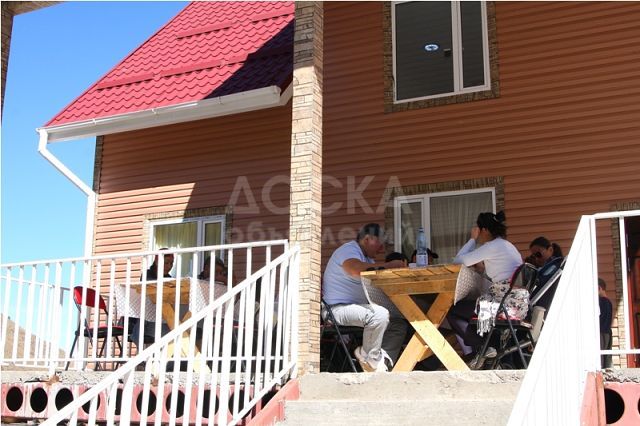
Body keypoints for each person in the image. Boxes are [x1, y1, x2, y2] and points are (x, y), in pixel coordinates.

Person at [322, 223, 407, 372]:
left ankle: (382, 363)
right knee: (379, 314)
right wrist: (388, 266)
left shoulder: (368, 260)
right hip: (336, 310)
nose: (382, 248)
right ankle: (369, 357)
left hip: (355, 309)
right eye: (380, 243)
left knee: (398, 322)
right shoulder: (349, 250)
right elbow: (355, 269)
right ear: (368, 239)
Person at [446, 211, 523, 368]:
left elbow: (457, 261)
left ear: (485, 230)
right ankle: (484, 352)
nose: (478, 234)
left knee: (454, 310)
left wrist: (472, 239)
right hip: (516, 303)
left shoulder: (492, 246)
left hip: (504, 306)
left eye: (478, 230)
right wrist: (483, 270)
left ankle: (483, 349)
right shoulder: (507, 245)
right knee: (470, 311)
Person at [598, 278, 613, 368]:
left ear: (599, 288)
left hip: (601, 333)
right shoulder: (609, 302)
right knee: (606, 357)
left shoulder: (601, 302)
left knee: (600, 357)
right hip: (607, 332)